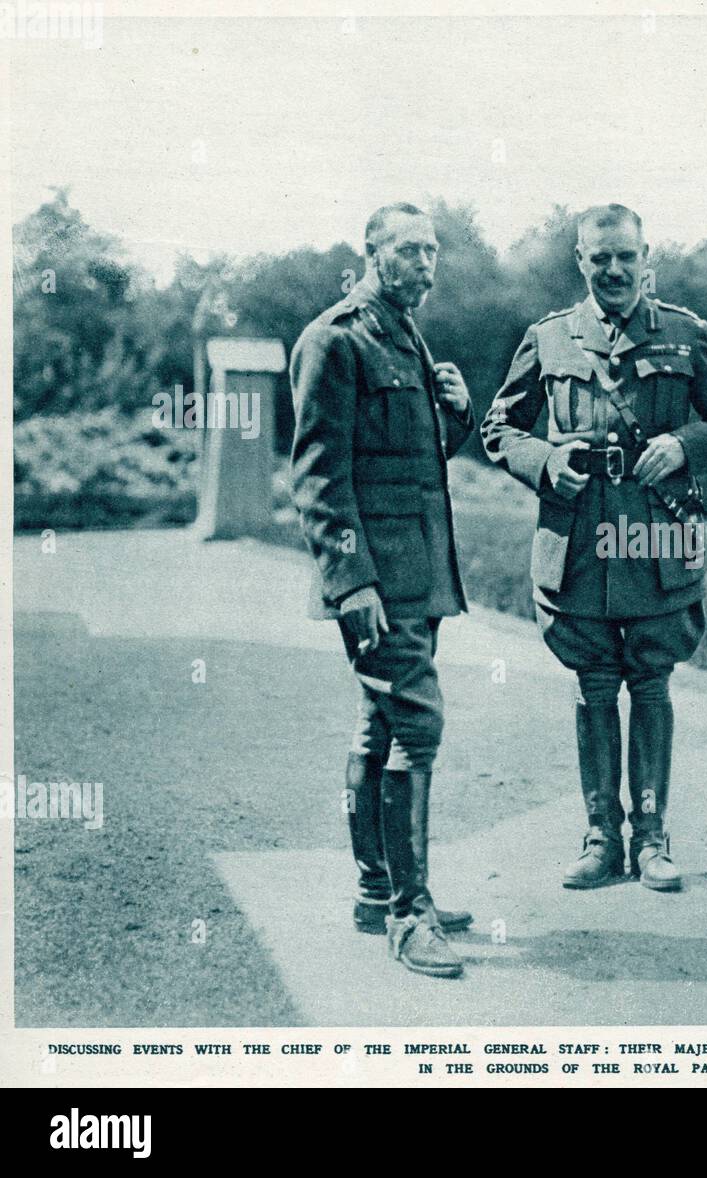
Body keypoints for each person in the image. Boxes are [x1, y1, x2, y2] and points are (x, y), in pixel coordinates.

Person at [482, 204, 707, 892]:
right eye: (598, 258)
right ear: (581, 261)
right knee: (594, 681)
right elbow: (499, 427)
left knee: (652, 678)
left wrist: (682, 446)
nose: (612, 270)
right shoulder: (549, 338)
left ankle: (654, 840)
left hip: (656, 533)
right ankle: (602, 837)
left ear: (644, 257)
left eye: (624, 257)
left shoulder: (686, 334)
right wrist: (546, 461)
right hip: (577, 536)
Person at [290, 202, 476, 978]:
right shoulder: (335, 338)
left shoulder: (403, 331)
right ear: (370, 252)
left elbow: (410, 458)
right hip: (376, 581)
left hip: (418, 575)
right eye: (408, 250)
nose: (425, 264)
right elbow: (319, 476)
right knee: (419, 728)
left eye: (432, 251)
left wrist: (455, 418)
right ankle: (410, 913)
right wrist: (351, 580)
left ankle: (379, 889)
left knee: (381, 725)